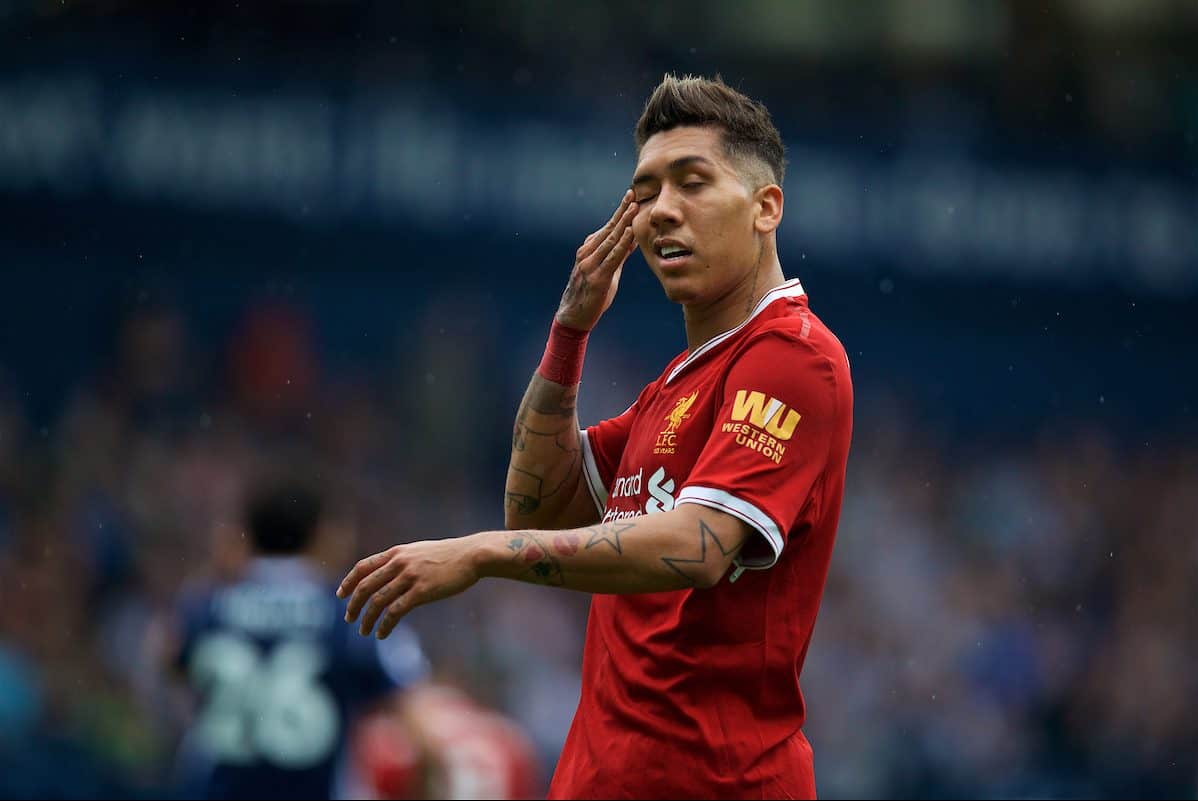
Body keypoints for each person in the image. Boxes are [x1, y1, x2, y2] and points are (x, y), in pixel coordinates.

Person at [339, 74, 854, 799]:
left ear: (766, 206)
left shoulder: (793, 355)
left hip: (713, 784)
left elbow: (696, 546)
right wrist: (570, 331)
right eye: (645, 193)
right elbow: (538, 507)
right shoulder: (670, 390)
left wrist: (483, 552)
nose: (662, 212)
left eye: (692, 182)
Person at [167, 474, 430, 800]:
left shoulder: (206, 606)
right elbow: (417, 724)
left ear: (245, 534)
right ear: (322, 533)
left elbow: (168, 660)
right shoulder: (349, 613)